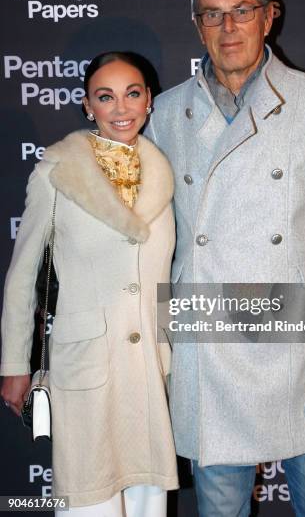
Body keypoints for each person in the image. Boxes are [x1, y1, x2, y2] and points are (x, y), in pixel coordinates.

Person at [144, 0, 305, 516]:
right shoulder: (165, 112)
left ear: (269, 16)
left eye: (242, 11)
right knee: (220, 508)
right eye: (213, 14)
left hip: (302, 335)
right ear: (197, 24)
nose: (228, 29)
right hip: (210, 335)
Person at [0, 51, 178, 516]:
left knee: (146, 504)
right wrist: (14, 363)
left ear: (149, 101)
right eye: (106, 97)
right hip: (86, 365)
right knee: (88, 502)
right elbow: (22, 278)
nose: (121, 108)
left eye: (132, 94)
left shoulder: (167, 174)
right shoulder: (56, 174)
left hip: (148, 369)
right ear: (87, 106)